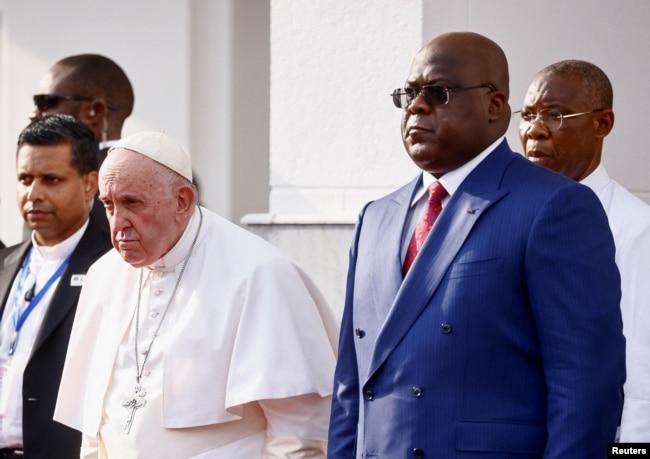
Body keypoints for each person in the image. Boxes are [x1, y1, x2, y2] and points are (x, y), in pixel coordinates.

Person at [328, 32, 625, 458]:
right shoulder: (375, 217)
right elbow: (350, 386)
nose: (416, 105)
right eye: (408, 93)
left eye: (439, 91)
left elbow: (585, 385)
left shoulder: (554, 206)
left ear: (495, 106)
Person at [54, 132, 338, 458]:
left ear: (183, 201)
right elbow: (95, 421)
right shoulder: (104, 275)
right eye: (108, 205)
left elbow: (299, 432)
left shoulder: (260, 274)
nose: (118, 223)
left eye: (132, 203)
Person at [518, 59, 650, 442]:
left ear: (602, 124)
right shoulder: (507, 216)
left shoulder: (636, 228)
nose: (534, 131)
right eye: (527, 115)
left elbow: (639, 368)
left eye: (555, 115)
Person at [0, 114, 112, 458]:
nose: (33, 194)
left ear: (89, 184)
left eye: (51, 179)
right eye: (24, 179)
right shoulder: (5, 263)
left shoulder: (114, 268)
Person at [29, 54, 135, 234]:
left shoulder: (113, 177)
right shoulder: (148, 170)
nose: (33, 114)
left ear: (94, 111)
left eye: (46, 102)